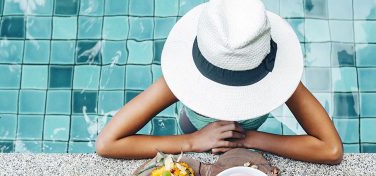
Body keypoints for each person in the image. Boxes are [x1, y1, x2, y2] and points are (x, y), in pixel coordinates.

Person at [96, 0, 343, 164]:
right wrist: (193, 141)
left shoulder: (273, 68)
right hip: (195, 129)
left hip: (246, 134)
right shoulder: (178, 81)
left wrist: (249, 139)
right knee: (190, 128)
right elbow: (107, 143)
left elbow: (331, 150)